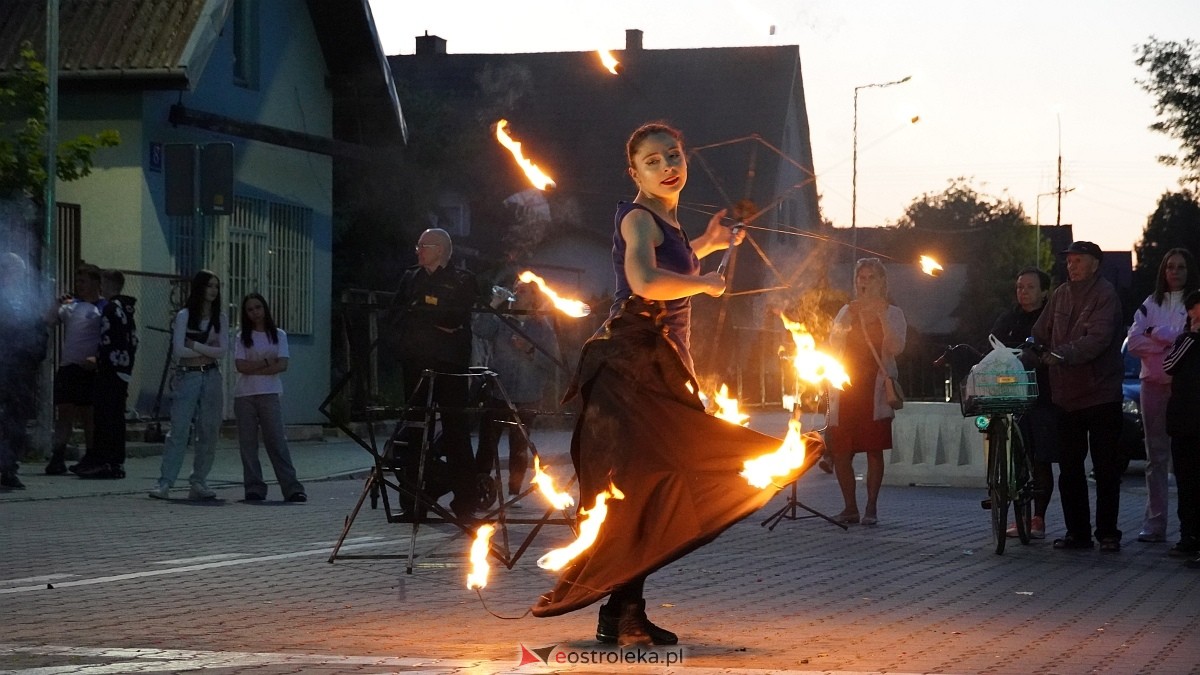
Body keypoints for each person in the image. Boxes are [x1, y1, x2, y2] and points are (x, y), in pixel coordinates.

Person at [532, 122, 752, 646]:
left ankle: (623, 610)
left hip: (660, 365)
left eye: (673, 155)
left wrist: (708, 243)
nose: (667, 166)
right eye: (652, 161)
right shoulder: (637, 219)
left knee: (658, 485)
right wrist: (705, 283)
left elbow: (670, 264)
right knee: (646, 487)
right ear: (634, 173)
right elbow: (644, 282)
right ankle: (623, 611)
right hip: (632, 367)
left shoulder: (666, 224)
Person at [1031, 241, 1125, 552]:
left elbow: (1097, 339)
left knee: (1106, 467)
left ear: (1095, 263)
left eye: (1078, 260)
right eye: (1069, 260)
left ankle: (1108, 533)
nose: (1071, 266)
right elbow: (1041, 330)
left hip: (1101, 394)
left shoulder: (1106, 294)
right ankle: (1078, 533)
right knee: (1070, 470)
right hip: (1065, 396)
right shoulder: (1059, 293)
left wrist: (1061, 355)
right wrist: (1030, 348)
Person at [385, 228, 481, 522]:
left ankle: (465, 504)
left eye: (423, 245)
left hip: (450, 363)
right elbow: (397, 315)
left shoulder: (462, 280)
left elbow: (455, 318)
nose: (418, 250)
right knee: (415, 430)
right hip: (414, 362)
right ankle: (413, 501)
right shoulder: (411, 278)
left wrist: (426, 312)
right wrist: (426, 317)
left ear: (440, 249)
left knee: (456, 431)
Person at [827, 257, 907, 527]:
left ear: (882, 282)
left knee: (874, 450)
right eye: (862, 277)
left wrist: (882, 315)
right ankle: (850, 507)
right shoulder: (847, 310)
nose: (865, 282)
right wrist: (849, 315)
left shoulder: (893, 312)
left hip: (874, 390)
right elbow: (832, 344)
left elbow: (896, 347)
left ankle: (871, 507)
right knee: (840, 451)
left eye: (872, 277)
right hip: (846, 389)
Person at [1127, 248, 1197, 543]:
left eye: (1180, 267)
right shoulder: (1149, 303)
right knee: (1156, 457)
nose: (1175, 272)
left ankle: (1189, 528)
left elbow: (1187, 338)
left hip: (1184, 391)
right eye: (1170, 267)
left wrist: (1159, 334)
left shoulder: (1195, 303)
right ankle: (1155, 523)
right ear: (1163, 271)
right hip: (1152, 386)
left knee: (1186, 460)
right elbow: (1133, 341)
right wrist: (1167, 346)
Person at [472, 280, 559, 505]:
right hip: (499, 390)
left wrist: (529, 349)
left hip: (528, 394)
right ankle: (479, 488)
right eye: (517, 290)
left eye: (524, 292)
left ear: (534, 297)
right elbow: (479, 329)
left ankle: (513, 492)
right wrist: (493, 304)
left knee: (519, 445)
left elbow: (552, 361)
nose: (518, 294)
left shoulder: (542, 327)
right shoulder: (502, 320)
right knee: (487, 443)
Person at [989, 267, 1060, 539]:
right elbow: (992, 342)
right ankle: (1009, 495)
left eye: (1030, 287)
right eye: (1020, 287)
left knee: (1040, 457)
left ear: (1044, 292)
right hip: (1010, 391)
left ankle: (1038, 518)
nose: (1023, 292)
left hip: (1041, 394)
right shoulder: (1009, 317)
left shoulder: (1050, 317)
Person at [150, 270, 227, 501]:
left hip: (212, 376)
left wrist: (194, 344)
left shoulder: (219, 317)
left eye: (216, 286)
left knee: (209, 430)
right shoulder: (185, 315)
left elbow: (222, 351)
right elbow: (178, 350)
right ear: (199, 288)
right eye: (209, 285)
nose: (213, 290)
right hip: (188, 375)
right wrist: (205, 349)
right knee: (179, 429)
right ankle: (165, 482)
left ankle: (199, 481)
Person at [233, 293, 306, 502]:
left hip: (269, 393)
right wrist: (266, 363)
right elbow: (240, 366)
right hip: (244, 395)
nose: (255, 312)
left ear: (264, 308)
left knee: (276, 440)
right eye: (250, 309)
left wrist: (253, 367)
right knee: (248, 444)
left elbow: (282, 364)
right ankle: (254, 487)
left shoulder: (278, 335)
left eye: (258, 307)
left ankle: (291, 487)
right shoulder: (241, 337)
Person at [74, 269, 138, 479]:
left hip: (109, 371)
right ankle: (115, 461)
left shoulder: (111, 309)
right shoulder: (127, 310)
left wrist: (99, 360)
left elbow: (108, 341)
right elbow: (133, 341)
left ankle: (104, 462)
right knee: (116, 418)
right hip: (123, 371)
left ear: (108, 284)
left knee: (105, 417)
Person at [48, 263, 102, 475]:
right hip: (68, 367)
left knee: (89, 415)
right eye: (77, 281)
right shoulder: (71, 306)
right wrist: (55, 303)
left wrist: (97, 358)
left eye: (84, 281)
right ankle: (57, 456)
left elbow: (111, 338)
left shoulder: (103, 308)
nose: (79, 285)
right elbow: (49, 320)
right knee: (65, 413)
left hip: (88, 368)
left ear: (96, 283)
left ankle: (90, 455)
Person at [0, 252, 48, 489]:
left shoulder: (28, 301)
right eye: (12, 271)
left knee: (16, 421)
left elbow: (40, 331)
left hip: (22, 371)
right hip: (3, 367)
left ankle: (9, 468)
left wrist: (35, 355)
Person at [1164, 290, 1200, 564]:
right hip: (1185, 423)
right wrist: (1191, 339)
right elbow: (1169, 365)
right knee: (1186, 483)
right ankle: (1189, 535)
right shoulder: (1185, 340)